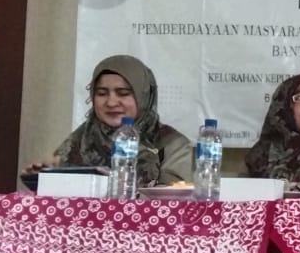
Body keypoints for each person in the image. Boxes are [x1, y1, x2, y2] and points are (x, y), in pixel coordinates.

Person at [24, 54, 193, 186]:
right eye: (102, 93)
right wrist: (46, 178)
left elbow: (176, 199)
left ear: (143, 96)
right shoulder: (80, 140)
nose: (111, 102)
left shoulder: (171, 144)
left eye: (123, 93)